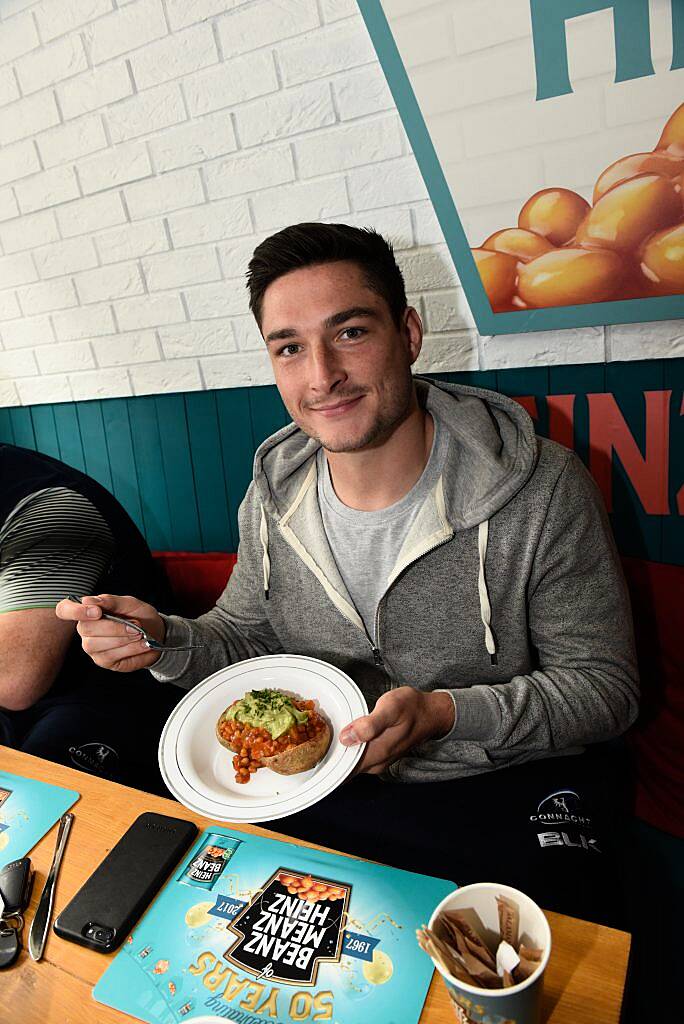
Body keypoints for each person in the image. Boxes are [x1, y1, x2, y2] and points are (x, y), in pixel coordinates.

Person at [57, 223, 639, 925]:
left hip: (495, 777)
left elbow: (605, 690)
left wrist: (444, 714)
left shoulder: (544, 487)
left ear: (410, 333)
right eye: (290, 348)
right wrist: (165, 639)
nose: (321, 375)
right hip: (319, 787)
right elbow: (243, 636)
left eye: (352, 333)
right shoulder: (271, 495)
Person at [1, 443, 182, 792]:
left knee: (39, 799)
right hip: (41, 699)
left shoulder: (50, 506)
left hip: (114, 698)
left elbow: (13, 681)